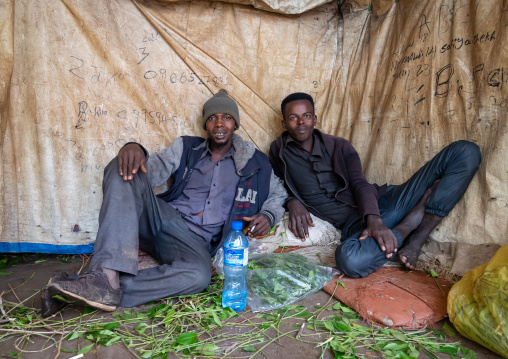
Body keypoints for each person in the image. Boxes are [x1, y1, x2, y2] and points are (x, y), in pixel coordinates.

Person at [41, 89, 287, 316]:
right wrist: (134, 148)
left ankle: (88, 289)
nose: (220, 123)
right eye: (213, 118)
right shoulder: (186, 147)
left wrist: (268, 215)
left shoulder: (256, 163)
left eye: (226, 118)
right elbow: (149, 171)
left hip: (193, 242)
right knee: (122, 168)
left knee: (198, 276)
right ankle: (104, 275)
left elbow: (279, 193)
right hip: (162, 217)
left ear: (235, 124)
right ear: (205, 124)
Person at [269, 92, 481, 278]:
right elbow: (277, 185)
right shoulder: (278, 152)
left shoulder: (339, 146)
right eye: (293, 118)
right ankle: (407, 226)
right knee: (349, 260)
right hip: (353, 224)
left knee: (465, 151)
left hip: (385, 203)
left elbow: (361, 184)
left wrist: (376, 223)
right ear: (284, 123)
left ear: (315, 118)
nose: (301, 123)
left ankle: (417, 235)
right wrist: (293, 202)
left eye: (306, 116)